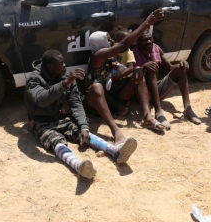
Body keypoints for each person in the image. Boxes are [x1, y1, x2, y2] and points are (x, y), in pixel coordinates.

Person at [24, 49, 138, 180]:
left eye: (64, 62)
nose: (65, 65)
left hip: (60, 116)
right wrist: (65, 83)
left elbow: (75, 103)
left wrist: (84, 127)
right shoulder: (35, 78)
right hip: (40, 120)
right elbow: (41, 100)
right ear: (50, 66)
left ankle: (116, 151)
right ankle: (79, 166)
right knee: (55, 140)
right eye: (61, 63)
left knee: (81, 133)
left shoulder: (64, 76)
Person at [85, 9, 166, 139]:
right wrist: (146, 22)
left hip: (112, 96)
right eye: (108, 39)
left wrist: (136, 69)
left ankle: (147, 116)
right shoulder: (97, 56)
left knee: (138, 73)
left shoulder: (106, 56)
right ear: (100, 43)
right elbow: (124, 44)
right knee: (96, 87)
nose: (111, 41)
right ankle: (116, 131)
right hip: (96, 105)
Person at [132, 30, 202, 130]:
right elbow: (131, 76)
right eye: (144, 40)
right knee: (151, 70)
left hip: (156, 89)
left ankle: (187, 108)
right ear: (138, 42)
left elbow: (170, 67)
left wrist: (182, 64)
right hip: (142, 94)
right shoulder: (134, 52)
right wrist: (143, 67)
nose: (149, 42)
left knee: (179, 69)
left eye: (150, 39)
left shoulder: (156, 48)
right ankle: (158, 111)